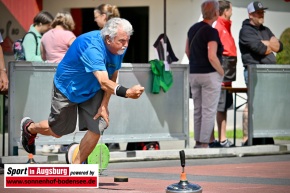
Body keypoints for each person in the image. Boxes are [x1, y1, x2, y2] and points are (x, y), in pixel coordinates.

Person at [20, 18, 145, 164]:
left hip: (93, 88)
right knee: (58, 131)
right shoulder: (91, 46)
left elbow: (113, 72)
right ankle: (30, 128)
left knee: (99, 126)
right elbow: (104, 81)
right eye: (122, 41)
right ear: (108, 39)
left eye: (127, 40)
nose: (126, 45)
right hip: (69, 88)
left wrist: (104, 105)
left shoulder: (119, 46)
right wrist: (127, 92)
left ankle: (76, 167)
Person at [239, 1, 283, 145]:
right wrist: (268, 44)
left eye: (263, 12)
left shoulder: (266, 29)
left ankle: (265, 136)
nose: (262, 15)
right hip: (254, 72)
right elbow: (260, 49)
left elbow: (280, 46)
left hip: (268, 73)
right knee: (254, 105)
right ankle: (250, 139)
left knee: (267, 105)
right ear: (250, 15)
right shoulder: (245, 31)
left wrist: (267, 43)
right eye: (259, 13)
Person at [185, 0, 224, 148]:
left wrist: (196, 62)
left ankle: (197, 142)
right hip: (209, 74)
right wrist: (221, 72)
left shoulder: (192, 28)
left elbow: (187, 51)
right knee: (208, 110)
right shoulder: (211, 32)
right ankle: (205, 144)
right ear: (216, 12)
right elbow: (212, 56)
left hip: (194, 73)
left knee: (198, 109)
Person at [40, 11, 76, 153]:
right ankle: (60, 142)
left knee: (48, 108)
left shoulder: (45, 36)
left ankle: (46, 142)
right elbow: (77, 53)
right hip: (65, 76)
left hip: (46, 74)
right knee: (64, 110)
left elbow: (43, 55)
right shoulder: (69, 36)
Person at [94, 4, 121, 150]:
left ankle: (105, 142)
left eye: (96, 17)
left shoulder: (104, 36)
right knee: (104, 109)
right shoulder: (119, 32)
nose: (95, 20)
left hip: (105, 79)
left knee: (103, 109)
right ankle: (108, 142)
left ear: (104, 17)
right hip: (109, 78)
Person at [213, 0, 237, 148]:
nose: (232, 12)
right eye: (231, 9)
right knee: (220, 108)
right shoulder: (218, 27)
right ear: (226, 11)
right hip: (221, 77)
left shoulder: (226, 26)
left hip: (228, 76)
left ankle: (222, 139)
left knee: (224, 107)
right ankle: (221, 140)